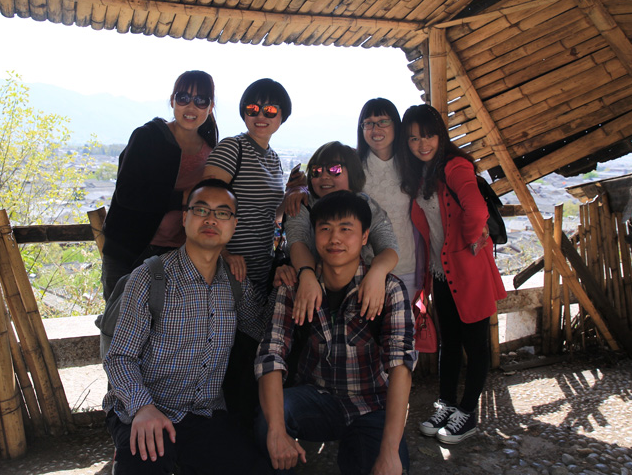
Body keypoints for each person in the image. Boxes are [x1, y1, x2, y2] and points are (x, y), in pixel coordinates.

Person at [103, 178, 270, 475]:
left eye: (222, 213)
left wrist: (293, 276)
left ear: (234, 225)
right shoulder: (150, 277)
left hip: (204, 414)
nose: (211, 219)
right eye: (201, 210)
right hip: (145, 409)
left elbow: (262, 331)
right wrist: (142, 408)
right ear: (185, 218)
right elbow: (119, 357)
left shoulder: (235, 284)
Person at [255, 190, 416, 475]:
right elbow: (271, 355)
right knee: (267, 421)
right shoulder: (295, 287)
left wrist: (390, 451)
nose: (335, 239)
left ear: (365, 237)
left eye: (346, 229)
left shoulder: (389, 289)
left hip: (372, 404)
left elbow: (400, 365)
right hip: (315, 398)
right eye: (325, 229)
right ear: (314, 235)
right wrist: (276, 431)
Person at [398, 104, 506, 445]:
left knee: (475, 344)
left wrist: (470, 242)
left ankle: (467, 413)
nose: (422, 144)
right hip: (441, 274)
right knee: (450, 342)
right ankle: (445, 405)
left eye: (428, 135)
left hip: (469, 272)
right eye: (413, 138)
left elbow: (476, 209)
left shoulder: (455, 166)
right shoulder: (422, 173)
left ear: (440, 135)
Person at [99, 70, 218, 357]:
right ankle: (118, 387)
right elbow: (127, 193)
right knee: (120, 333)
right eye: (184, 97)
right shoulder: (149, 136)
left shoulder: (210, 149)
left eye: (201, 100)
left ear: (211, 106)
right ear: (172, 100)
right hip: (130, 250)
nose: (191, 106)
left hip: (175, 256)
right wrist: (181, 198)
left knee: (163, 337)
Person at [282, 142, 400, 326]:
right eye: (316, 171)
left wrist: (378, 272)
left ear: (352, 172)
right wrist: (306, 274)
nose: (324, 176)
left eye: (334, 169)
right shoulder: (303, 205)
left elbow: (388, 246)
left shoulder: (366, 207)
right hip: (310, 287)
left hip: (360, 287)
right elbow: (297, 242)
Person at [202, 78, 292, 296]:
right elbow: (203, 206)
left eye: (270, 110)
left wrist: (294, 192)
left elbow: (271, 214)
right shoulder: (232, 148)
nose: (260, 116)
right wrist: (224, 254)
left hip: (262, 271)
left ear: (282, 115)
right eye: (252, 109)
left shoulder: (274, 159)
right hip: (227, 270)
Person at [357, 98, 422, 300]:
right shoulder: (354, 168)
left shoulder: (413, 165)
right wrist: (297, 189)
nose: (375, 129)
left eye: (383, 121)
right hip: (365, 268)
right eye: (369, 123)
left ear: (396, 125)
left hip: (407, 265)